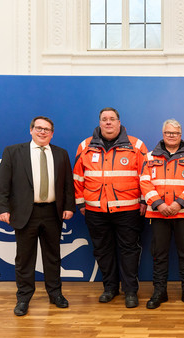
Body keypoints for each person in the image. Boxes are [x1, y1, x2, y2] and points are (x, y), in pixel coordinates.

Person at [0, 116, 75, 316]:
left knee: (53, 257)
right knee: (24, 259)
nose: (42, 132)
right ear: (31, 130)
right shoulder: (13, 152)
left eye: (47, 129)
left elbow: (67, 185)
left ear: (52, 133)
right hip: (24, 214)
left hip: (52, 212)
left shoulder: (61, 154)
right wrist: (2, 209)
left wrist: (69, 206)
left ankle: (55, 294)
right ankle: (23, 298)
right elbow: (2, 185)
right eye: (38, 128)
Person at [73, 107, 147, 308]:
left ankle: (130, 291)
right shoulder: (86, 146)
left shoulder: (136, 145)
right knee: (103, 251)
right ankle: (110, 288)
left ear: (119, 122)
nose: (108, 122)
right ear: (99, 122)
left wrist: (144, 201)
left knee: (129, 251)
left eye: (112, 119)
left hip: (128, 210)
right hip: (95, 210)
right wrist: (80, 202)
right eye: (104, 119)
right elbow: (78, 178)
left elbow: (146, 176)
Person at [140, 119, 184, 309]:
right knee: (159, 255)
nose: (171, 136)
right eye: (168, 133)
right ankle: (159, 292)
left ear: (180, 135)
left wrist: (179, 204)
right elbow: (144, 182)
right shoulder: (149, 157)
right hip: (158, 214)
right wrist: (159, 204)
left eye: (175, 133)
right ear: (163, 134)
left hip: (183, 213)